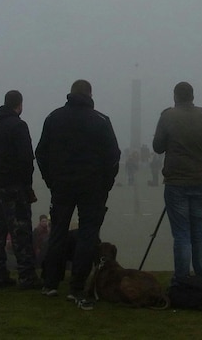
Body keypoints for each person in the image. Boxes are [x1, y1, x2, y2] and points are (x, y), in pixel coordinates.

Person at [36, 79, 120, 310]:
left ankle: (51, 283)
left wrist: (50, 180)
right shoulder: (101, 121)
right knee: (87, 235)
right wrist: (106, 184)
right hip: (92, 187)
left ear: (71, 94)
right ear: (90, 94)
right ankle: (76, 287)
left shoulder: (54, 118)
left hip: (62, 185)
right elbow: (113, 155)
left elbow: (41, 152)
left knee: (58, 232)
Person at [152, 81, 202, 284]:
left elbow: (158, 147)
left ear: (175, 96)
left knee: (181, 233)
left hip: (176, 182)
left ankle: (181, 278)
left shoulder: (168, 116)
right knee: (199, 230)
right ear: (192, 96)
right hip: (200, 180)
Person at [0, 89, 41, 289]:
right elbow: (26, 160)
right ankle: (26, 276)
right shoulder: (19, 126)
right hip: (15, 188)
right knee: (21, 232)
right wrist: (27, 186)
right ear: (19, 105)